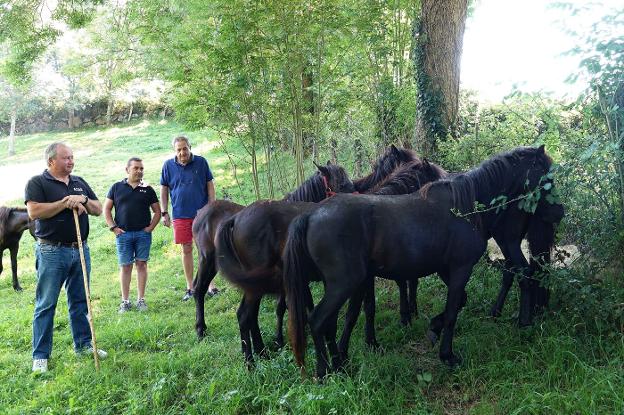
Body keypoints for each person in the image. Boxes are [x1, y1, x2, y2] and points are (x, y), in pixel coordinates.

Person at [25, 142, 107, 373]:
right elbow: (34, 211)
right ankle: (40, 355)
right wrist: (64, 202)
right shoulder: (37, 183)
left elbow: (98, 208)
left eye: (72, 157)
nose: (71, 161)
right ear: (51, 161)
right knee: (46, 303)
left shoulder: (79, 182)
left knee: (80, 300)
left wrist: (82, 200)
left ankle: (83, 345)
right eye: (65, 158)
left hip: (80, 249)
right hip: (51, 251)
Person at [160, 135, 218, 301]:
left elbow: (210, 186)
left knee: (206, 250)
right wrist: (164, 212)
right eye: (178, 149)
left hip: (202, 214)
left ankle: (210, 285)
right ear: (174, 151)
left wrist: (211, 208)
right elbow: (164, 190)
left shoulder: (201, 162)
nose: (182, 152)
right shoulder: (168, 166)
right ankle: (190, 287)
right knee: (186, 249)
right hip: (180, 214)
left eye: (184, 148)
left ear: (189, 147)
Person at [103, 157, 161, 313]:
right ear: (127, 170)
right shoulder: (116, 187)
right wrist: (113, 227)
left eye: (141, 168)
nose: (139, 171)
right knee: (126, 266)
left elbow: (157, 211)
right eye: (136, 168)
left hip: (143, 234)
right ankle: (125, 301)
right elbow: (106, 209)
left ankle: (141, 300)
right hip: (123, 235)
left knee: (142, 265)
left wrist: (150, 228)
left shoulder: (147, 189)